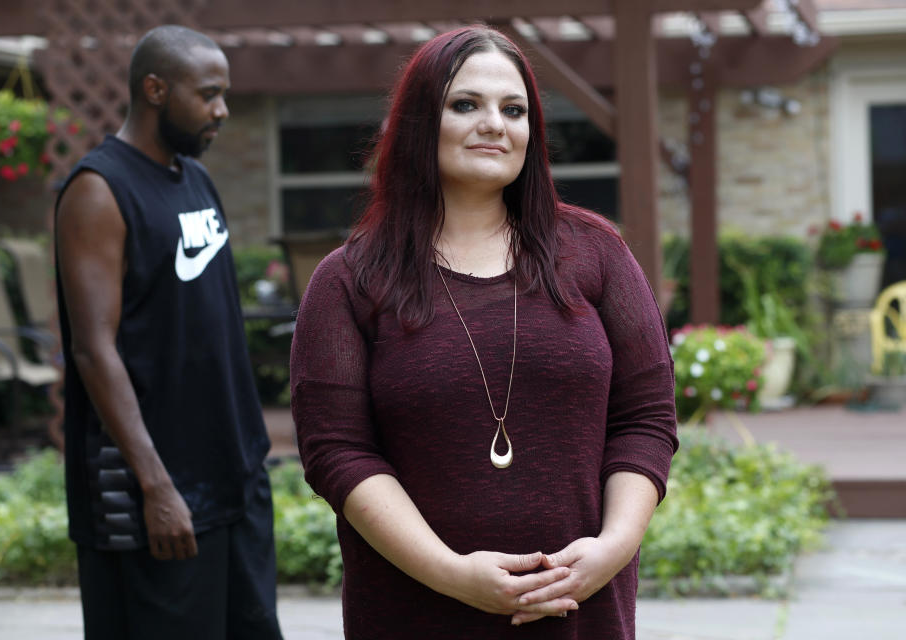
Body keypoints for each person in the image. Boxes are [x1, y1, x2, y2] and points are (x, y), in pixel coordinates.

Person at [290, 25, 678, 640]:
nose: (495, 123)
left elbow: (646, 419)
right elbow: (336, 452)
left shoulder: (596, 253)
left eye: (514, 109)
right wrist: (452, 574)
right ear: (421, 122)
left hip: (579, 611)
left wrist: (611, 548)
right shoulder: (349, 280)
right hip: (415, 613)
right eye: (465, 104)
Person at [54, 25, 283, 640]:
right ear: (155, 89)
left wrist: (251, 458)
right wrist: (155, 486)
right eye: (208, 94)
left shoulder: (195, 179)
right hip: (157, 492)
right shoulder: (98, 191)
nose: (222, 110)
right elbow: (92, 350)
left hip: (232, 477)